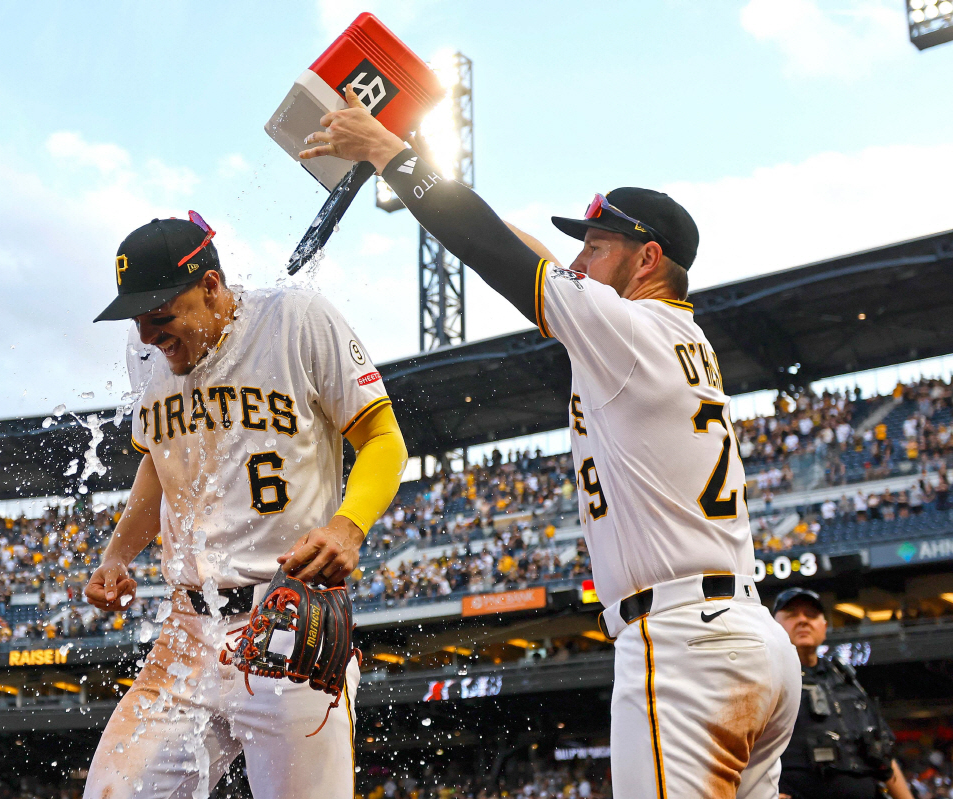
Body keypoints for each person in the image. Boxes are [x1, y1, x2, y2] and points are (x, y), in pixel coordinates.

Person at [305, 86, 801, 799]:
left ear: (647, 259)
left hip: (686, 642)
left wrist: (391, 154)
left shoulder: (624, 330)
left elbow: (494, 251)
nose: (581, 260)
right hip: (750, 637)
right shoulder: (674, 334)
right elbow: (537, 259)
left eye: (598, 247)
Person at [82, 213, 408, 799]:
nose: (149, 336)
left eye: (161, 318)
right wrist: (116, 556)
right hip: (185, 629)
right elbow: (159, 460)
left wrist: (347, 526)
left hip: (285, 619)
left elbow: (383, 438)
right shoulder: (149, 355)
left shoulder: (297, 319)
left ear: (210, 287)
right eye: (138, 322)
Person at [772, 588, 913, 799]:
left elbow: (882, 754)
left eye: (811, 615)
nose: (802, 620)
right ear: (773, 626)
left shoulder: (847, 681)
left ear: (824, 627)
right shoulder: (765, 679)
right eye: (792, 614)